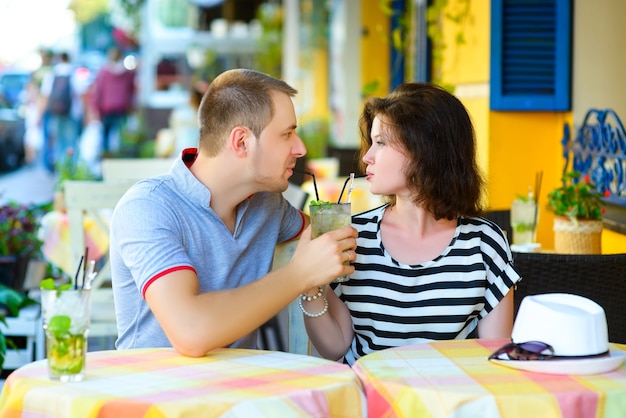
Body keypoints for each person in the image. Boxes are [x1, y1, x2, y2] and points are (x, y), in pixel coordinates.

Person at [109, 68, 358, 356]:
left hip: (240, 388)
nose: (300, 148)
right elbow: (191, 332)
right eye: (287, 134)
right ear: (241, 142)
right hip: (155, 391)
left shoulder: (268, 205)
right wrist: (299, 274)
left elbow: (323, 238)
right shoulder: (147, 208)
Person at [301, 82, 522, 365]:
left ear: (424, 150)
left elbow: (493, 358)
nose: (367, 157)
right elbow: (334, 347)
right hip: (370, 401)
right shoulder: (354, 237)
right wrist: (309, 287)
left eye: (380, 142)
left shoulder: (483, 243)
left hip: (447, 401)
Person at [91, 45, 136, 154]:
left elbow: (98, 90)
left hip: (106, 108)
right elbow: (131, 90)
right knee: (119, 133)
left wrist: (95, 107)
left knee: (105, 134)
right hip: (121, 107)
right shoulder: (127, 73)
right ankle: (118, 154)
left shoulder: (104, 72)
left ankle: (106, 154)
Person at [40, 51, 81, 172]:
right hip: (71, 112)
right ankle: (71, 168)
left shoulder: (52, 74)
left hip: (55, 113)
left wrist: (40, 115)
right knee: (71, 141)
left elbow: (45, 96)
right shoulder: (74, 73)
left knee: (59, 141)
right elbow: (82, 94)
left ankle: (61, 169)